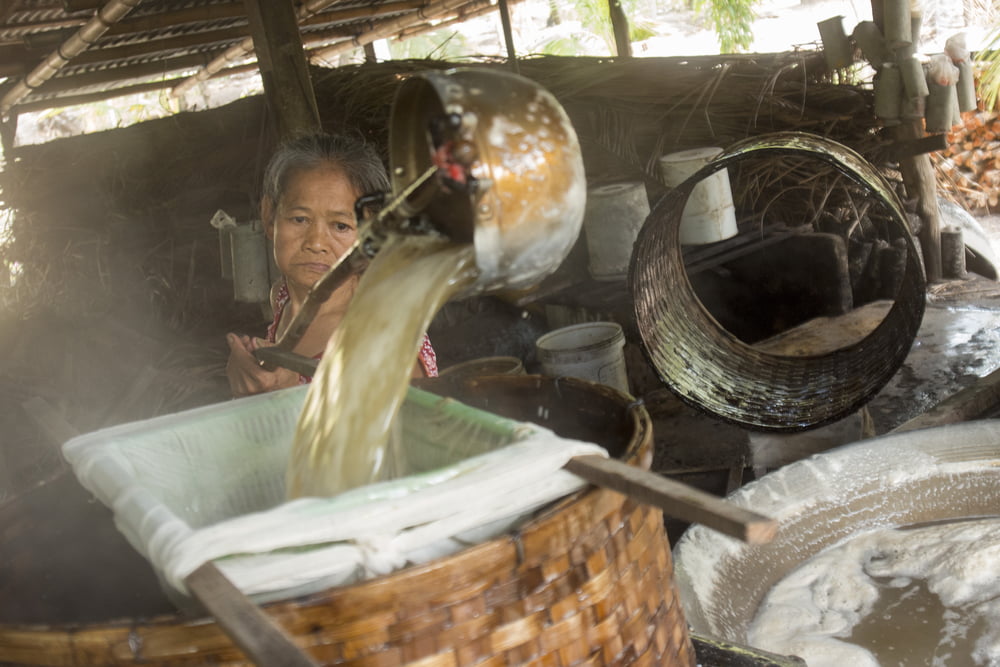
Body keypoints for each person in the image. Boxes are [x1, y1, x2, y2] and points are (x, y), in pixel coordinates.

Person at [226, 131, 438, 397]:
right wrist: (252, 370)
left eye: (340, 225)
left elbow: (413, 434)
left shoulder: (386, 339)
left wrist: (289, 398)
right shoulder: (283, 297)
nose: (316, 243)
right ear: (269, 216)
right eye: (300, 219)